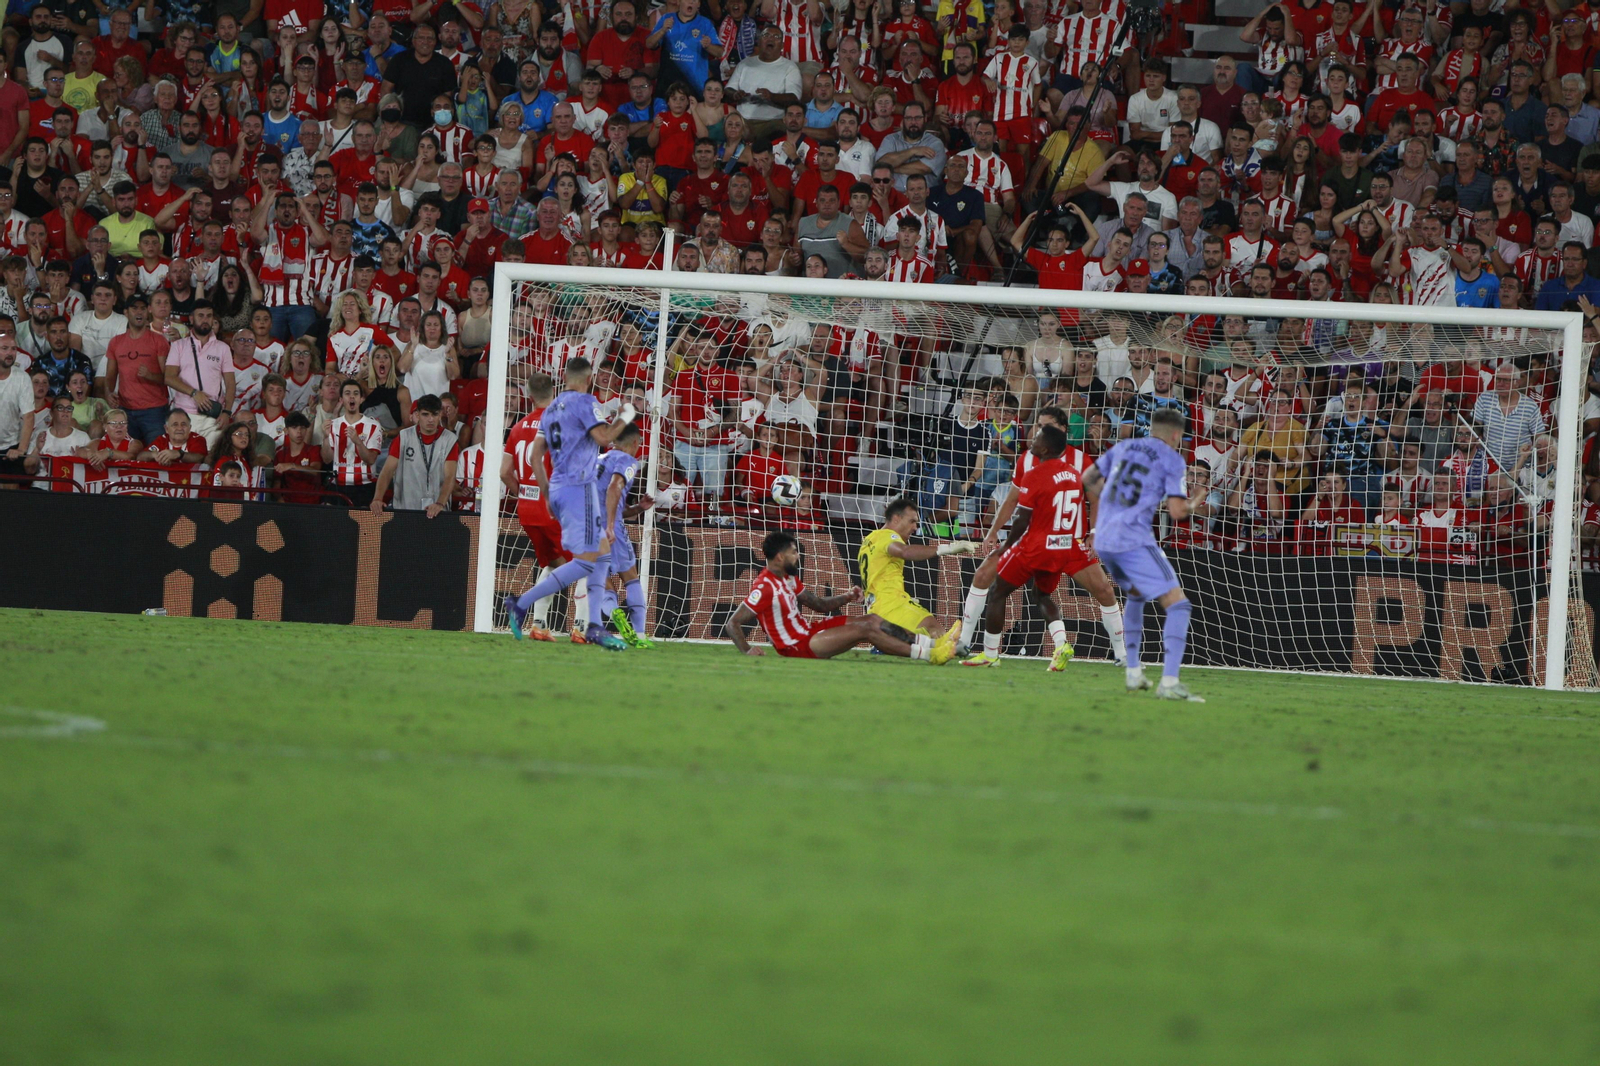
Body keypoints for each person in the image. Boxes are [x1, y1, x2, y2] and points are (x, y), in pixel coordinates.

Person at [504, 356, 639, 649]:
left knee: (596, 556)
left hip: (561, 490)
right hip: (579, 489)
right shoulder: (585, 402)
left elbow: (536, 454)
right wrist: (626, 415)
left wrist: (547, 492)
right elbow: (604, 438)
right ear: (589, 378)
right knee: (590, 559)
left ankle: (589, 626)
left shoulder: (551, 408)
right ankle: (534, 608)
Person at [1081, 406, 1202, 702]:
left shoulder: (1124, 446)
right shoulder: (1172, 459)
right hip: (1133, 539)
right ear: (1176, 435)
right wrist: (1191, 505)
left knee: (1135, 594)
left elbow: (1087, 477)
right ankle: (1170, 682)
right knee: (1179, 605)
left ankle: (1133, 672)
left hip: (1105, 539)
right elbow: (1176, 512)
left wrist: (1114, 498)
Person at [959, 421, 1089, 671]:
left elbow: (1022, 518)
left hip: (1035, 545)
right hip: (1062, 545)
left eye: (1038, 437)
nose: (1033, 440)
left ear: (1047, 448)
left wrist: (1006, 546)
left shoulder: (1035, 475)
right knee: (1041, 594)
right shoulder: (1073, 474)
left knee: (997, 591)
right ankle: (1061, 644)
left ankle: (990, 653)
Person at [724, 529, 950, 661]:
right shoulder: (765, 586)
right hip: (796, 646)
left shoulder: (789, 578)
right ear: (779, 557)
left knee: (871, 619)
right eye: (793, 553)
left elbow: (820, 605)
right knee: (865, 629)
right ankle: (929, 655)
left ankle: (933, 644)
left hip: (808, 631)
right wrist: (747, 650)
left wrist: (847, 596)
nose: (798, 557)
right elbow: (733, 623)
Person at [857, 495, 975, 644]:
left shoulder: (869, 540)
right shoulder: (889, 536)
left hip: (877, 607)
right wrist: (946, 549)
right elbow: (904, 552)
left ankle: (890, 639)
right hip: (892, 605)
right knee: (934, 629)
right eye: (912, 521)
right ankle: (890, 640)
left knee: (929, 629)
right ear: (896, 519)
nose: (915, 527)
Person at [596, 420, 657, 647]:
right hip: (610, 526)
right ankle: (640, 635)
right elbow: (614, 487)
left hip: (586, 525)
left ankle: (614, 613)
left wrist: (638, 508)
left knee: (603, 580)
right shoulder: (628, 461)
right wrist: (611, 524)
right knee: (630, 577)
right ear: (635, 442)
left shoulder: (598, 460)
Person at [370, 393, 459, 516]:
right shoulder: (403, 437)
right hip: (405, 509)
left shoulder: (450, 440)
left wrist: (440, 503)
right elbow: (387, 471)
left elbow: (450, 476)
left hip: (437, 511)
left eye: (435, 414)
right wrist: (377, 498)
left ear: (440, 415)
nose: (431, 419)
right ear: (417, 415)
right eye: (425, 414)